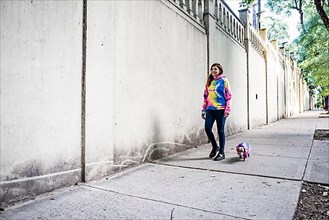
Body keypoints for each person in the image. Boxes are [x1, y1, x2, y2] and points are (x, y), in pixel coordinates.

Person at [201, 63, 232, 161]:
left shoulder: (224, 81)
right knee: (207, 128)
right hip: (210, 109)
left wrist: (227, 109)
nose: (214, 71)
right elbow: (206, 97)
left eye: (216, 69)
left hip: (221, 109)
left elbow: (229, 96)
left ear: (219, 70)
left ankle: (222, 153)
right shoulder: (209, 82)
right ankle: (215, 146)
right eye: (212, 69)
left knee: (220, 130)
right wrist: (203, 109)